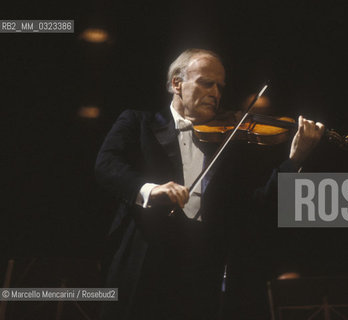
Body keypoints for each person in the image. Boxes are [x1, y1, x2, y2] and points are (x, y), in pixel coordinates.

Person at [95, 48, 324, 320]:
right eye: (206, 83)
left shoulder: (229, 143)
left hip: (200, 269)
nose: (216, 93)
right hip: (142, 261)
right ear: (177, 84)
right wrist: (150, 190)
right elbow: (107, 165)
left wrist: (294, 160)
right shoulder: (138, 122)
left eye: (220, 86)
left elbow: (257, 204)